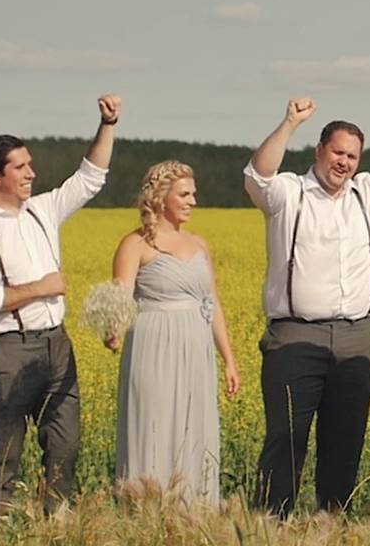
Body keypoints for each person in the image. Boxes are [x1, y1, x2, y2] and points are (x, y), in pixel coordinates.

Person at [246, 88, 370, 517]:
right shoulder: (288, 194)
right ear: (319, 151)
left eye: (352, 156)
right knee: (286, 436)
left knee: (346, 438)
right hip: (295, 335)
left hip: (359, 336)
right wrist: (289, 124)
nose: (344, 163)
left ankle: (331, 522)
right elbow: (258, 175)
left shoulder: (369, 193)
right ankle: (269, 525)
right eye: (337, 152)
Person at [0, 94, 120, 518]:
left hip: (56, 344)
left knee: (65, 442)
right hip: (10, 348)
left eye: (30, 164)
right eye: (21, 167)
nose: (32, 173)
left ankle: (56, 521)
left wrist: (108, 125)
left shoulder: (42, 211)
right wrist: (41, 287)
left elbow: (90, 178)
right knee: (5, 450)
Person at [111, 160, 241, 504]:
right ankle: (145, 511)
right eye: (184, 194)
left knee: (194, 428)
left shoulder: (200, 244)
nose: (192, 201)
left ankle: (191, 514)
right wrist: (114, 331)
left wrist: (228, 358)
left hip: (196, 348)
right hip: (153, 348)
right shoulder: (134, 244)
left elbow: (212, 301)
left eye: (193, 194)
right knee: (152, 425)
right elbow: (120, 299)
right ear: (160, 197)